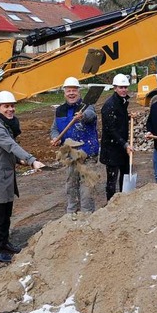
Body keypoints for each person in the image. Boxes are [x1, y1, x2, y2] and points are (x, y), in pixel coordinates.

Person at [0, 90, 45, 263]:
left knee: (6, 215)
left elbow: (7, 152)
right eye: (6, 106)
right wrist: (32, 160)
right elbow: (10, 145)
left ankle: (5, 243)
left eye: (12, 106)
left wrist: (20, 161)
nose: (10, 109)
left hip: (6, 178)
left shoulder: (6, 126)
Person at [50, 77, 99, 217]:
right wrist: (55, 138)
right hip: (70, 157)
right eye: (68, 90)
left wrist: (82, 116)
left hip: (88, 155)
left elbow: (91, 116)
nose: (71, 93)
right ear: (64, 92)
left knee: (87, 189)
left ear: (79, 91)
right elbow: (54, 129)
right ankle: (71, 216)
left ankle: (87, 215)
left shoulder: (87, 107)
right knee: (71, 187)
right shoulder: (60, 110)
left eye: (74, 90)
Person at [99, 73, 134, 200]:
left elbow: (118, 121)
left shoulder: (122, 102)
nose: (124, 90)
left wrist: (127, 117)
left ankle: (124, 201)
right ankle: (111, 203)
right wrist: (125, 144)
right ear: (115, 88)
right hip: (112, 148)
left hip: (122, 147)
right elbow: (111, 129)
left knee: (125, 177)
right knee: (112, 180)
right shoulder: (109, 106)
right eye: (121, 87)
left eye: (125, 87)